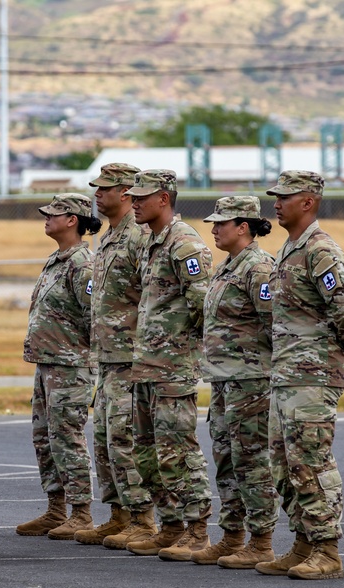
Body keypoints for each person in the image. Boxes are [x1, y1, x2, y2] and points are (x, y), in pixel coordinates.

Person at [255, 170, 344, 580]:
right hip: (286, 374)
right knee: (283, 464)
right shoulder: (289, 249)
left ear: (309, 202)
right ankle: (301, 543)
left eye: (285, 197)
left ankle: (326, 550)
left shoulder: (320, 250)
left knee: (311, 460)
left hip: (312, 376)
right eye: (275, 197)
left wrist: (342, 346)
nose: (277, 203)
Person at [120, 169, 215, 560]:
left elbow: (202, 307)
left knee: (178, 450)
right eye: (133, 196)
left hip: (172, 368)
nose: (135, 203)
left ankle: (197, 529)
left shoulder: (185, 244)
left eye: (142, 196)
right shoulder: (151, 243)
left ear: (164, 198)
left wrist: (180, 349)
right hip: (146, 366)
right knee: (146, 452)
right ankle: (170, 525)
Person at [192, 196, 280, 568]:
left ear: (243, 226)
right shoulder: (229, 267)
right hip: (226, 381)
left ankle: (260, 541)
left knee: (252, 461)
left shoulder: (258, 268)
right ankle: (232, 536)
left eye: (221, 223)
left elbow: (276, 323)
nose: (213, 229)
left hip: (251, 383)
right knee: (226, 458)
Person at [73, 163, 155, 548]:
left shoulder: (139, 238)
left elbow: (153, 296)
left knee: (125, 438)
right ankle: (119, 514)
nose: (97, 194)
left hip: (131, 356)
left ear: (126, 193)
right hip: (107, 357)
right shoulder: (108, 238)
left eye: (105, 189)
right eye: (97, 188)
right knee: (105, 438)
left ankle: (142, 517)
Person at [16, 193, 102, 539]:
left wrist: (83, 358)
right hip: (48, 362)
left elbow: (93, 317)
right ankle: (56, 508)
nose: (47, 219)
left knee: (67, 437)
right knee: (44, 437)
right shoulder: (57, 259)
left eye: (55, 214)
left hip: (70, 365)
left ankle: (80, 512)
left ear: (73, 220)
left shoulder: (83, 263)